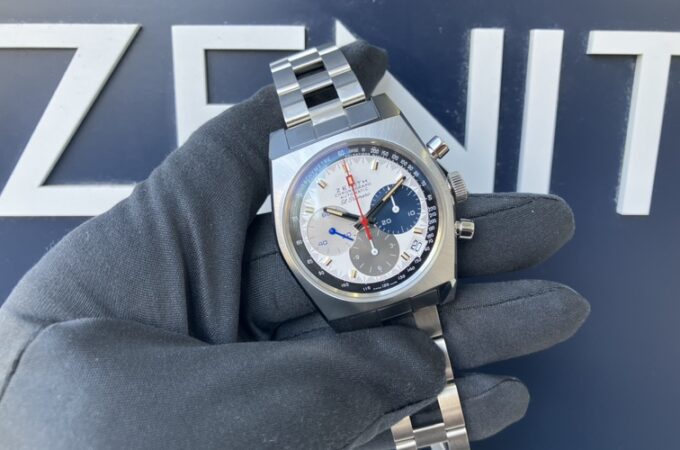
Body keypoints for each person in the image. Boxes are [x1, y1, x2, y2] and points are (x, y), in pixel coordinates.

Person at [0, 41, 589, 449]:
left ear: (440, 183)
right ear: (294, 222)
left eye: (379, 208)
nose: (365, 222)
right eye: (345, 216)